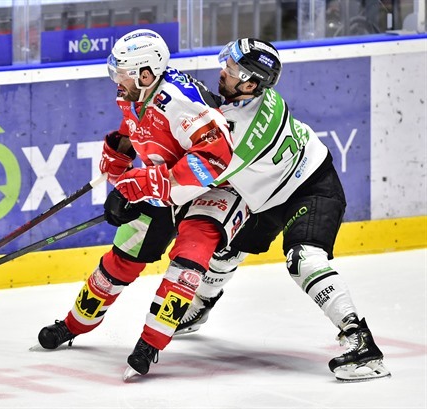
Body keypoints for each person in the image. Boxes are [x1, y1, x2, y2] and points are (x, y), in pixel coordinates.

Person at [173, 38, 390, 382]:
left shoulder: (238, 134)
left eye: (230, 70)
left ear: (249, 83)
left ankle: (362, 345)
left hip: (311, 188)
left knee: (303, 259)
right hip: (267, 192)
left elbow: (193, 179)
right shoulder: (249, 98)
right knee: (226, 246)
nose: (222, 72)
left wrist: (146, 193)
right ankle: (199, 309)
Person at [37, 29, 248, 380]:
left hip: (214, 191)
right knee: (121, 259)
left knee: (187, 266)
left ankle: (151, 343)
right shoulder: (138, 94)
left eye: (121, 74)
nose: (116, 82)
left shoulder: (181, 103)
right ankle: (73, 325)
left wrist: (147, 182)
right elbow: (135, 129)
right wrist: (118, 158)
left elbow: (214, 158)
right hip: (166, 187)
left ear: (145, 74)